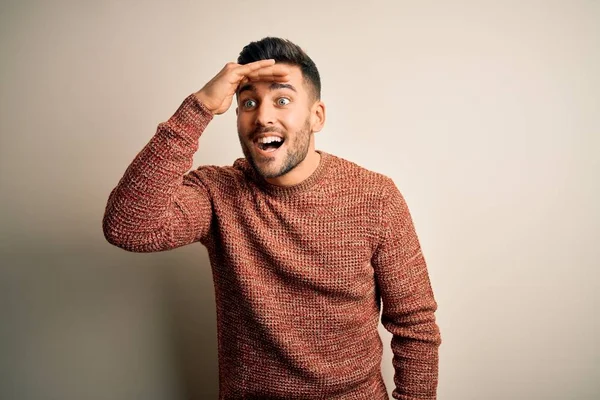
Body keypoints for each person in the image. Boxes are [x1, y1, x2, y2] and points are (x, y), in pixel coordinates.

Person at [103, 37, 441, 400]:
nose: (263, 116)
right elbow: (128, 226)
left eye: (282, 100)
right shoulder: (218, 193)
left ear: (317, 116)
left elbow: (415, 325)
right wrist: (198, 107)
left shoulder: (376, 197)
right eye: (249, 102)